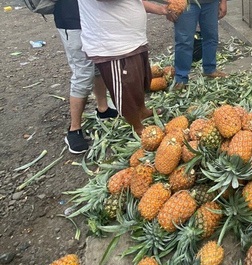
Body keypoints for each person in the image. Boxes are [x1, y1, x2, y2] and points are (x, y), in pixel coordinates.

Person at [77, 0, 174, 136]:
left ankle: (142, 111)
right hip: (114, 47)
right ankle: (136, 126)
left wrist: (158, 9)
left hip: (132, 41)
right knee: (125, 90)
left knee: (137, 83)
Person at [53, 0, 119, 154]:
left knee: (98, 65)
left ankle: (103, 109)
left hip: (93, 19)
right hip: (72, 21)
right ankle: (74, 129)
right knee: (83, 74)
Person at [171, 0, 228, 89]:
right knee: (184, 41)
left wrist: (223, 1)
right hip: (185, 3)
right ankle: (181, 78)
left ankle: (210, 69)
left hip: (211, 3)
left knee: (211, 36)